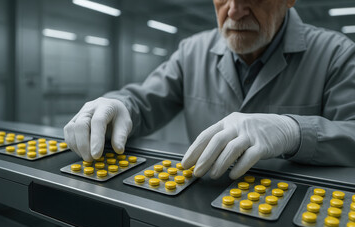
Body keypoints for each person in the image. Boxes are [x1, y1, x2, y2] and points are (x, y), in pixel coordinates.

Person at [64, 0, 355, 180]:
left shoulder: (336, 54)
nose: (235, 10)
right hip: (202, 206)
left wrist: (294, 131)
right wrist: (117, 105)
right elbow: (143, 101)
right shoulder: (192, 51)